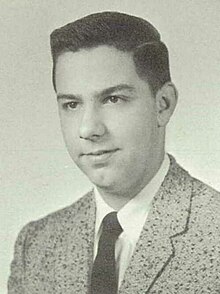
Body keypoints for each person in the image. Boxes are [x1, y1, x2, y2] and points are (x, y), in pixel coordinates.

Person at [8, 11, 220, 294]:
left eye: (113, 99)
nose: (88, 129)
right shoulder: (35, 245)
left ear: (163, 104)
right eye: (72, 104)